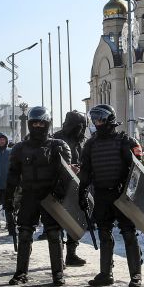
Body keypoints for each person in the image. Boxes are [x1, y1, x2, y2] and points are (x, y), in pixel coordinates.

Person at [78, 104, 144, 287]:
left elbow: (137, 172)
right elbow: (86, 172)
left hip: (121, 195)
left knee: (129, 233)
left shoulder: (125, 141)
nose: (97, 123)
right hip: (101, 194)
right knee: (104, 233)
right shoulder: (90, 145)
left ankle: (136, 274)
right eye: (95, 119)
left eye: (100, 119)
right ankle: (106, 274)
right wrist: (82, 192)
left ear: (109, 120)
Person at [5, 107, 71, 286]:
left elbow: (66, 175)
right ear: (29, 124)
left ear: (47, 124)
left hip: (50, 195)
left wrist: (60, 192)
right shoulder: (19, 148)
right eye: (34, 123)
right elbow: (12, 175)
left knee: (54, 234)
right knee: (25, 233)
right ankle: (21, 273)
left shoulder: (58, 145)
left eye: (41, 123)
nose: (38, 126)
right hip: (29, 195)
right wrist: (8, 198)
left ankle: (58, 273)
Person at [53, 110, 89, 267]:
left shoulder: (80, 140)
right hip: (59, 186)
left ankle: (71, 254)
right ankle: (58, 256)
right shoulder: (56, 139)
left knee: (75, 220)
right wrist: (67, 168)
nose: (81, 130)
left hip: (76, 186)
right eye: (80, 127)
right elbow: (51, 162)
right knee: (59, 222)